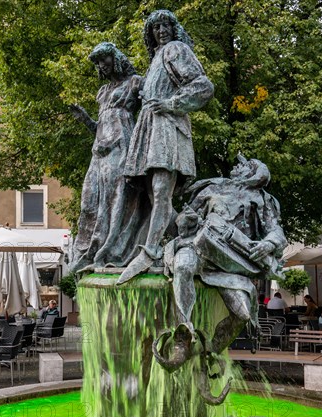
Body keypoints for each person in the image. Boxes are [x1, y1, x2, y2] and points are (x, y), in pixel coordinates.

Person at [118, 9, 214, 284]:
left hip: (165, 127)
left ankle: (149, 252)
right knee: (154, 196)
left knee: (160, 192)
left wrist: (172, 104)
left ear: (174, 29)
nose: (161, 31)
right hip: (149, 127)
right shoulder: (156, 59)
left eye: (165, 25)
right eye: (155, 27)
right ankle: (189, 239)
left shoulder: (175, 49)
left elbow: (203, 86)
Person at [162, 155, 287, 358]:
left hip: (230, 261)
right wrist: (188, 219)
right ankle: (182, 332)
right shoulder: (212, 189)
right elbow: (181, 223)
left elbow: (276, 231)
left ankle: (210, 353)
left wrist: (268, 244)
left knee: (243, 314)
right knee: (183, 267)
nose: (237, 165)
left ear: (254, 173)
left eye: (245, 165)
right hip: (198, 247)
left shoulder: (262, 199)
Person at [69, 42, 148, 272]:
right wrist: (85, 119)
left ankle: (111, 250)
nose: (102, 65)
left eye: (104, 59)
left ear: (116, 57)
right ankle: (90, 250)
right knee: (89, 199)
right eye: (98, 63)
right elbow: (100, 127)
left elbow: (150, 112)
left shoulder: (135, 83)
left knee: (115, 198)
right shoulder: (102, 92)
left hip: (122, 144)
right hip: (99, 150)